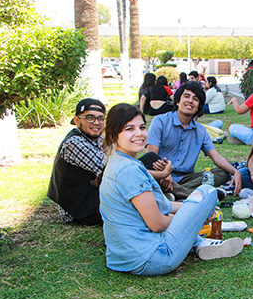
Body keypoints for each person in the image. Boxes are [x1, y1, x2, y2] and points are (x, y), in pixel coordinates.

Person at [99, 103, 243, 276]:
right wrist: (193, 219)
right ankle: (198, 242)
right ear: (114, 134)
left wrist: (194, 212)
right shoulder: (130, 170)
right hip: (153, 257)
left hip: (121, 258)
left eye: (142, 127)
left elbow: (162, 205)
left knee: (192, 204)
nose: (139, 133)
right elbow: (157, 224)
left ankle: (200, 244)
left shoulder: (117, 161)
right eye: (129, 128)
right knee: (208, 191)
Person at [147, 82, 242, 200]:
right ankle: (198, 195)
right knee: (150, 176)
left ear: (198, 106)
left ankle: (176, 193)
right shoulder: (160, 121)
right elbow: (151, 155)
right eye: (186, 96)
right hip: (161, 175)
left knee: (222, 174)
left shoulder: (200, 130)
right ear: (177, 101)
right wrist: (164, 173)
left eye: (195, 99)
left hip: (187, 179)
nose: (190, 101)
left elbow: (216, 157)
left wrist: (235, 172)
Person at [47, 98, 107, 226]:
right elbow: (112, 170)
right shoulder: (74, 143)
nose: (96, 123)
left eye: (101, 118)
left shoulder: (97, 139)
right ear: (77, 120)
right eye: (90, 118)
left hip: (95, 198)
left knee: (149, 159)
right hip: (81, 210)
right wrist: (159, 174)